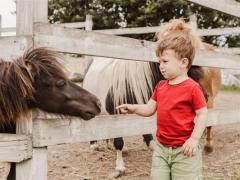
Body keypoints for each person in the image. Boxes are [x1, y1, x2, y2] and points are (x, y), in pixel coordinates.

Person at [116, 19, 207, 180]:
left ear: (183, 63)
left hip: (184, 150)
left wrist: (194, 139)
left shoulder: (192, 88)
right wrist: (133, 107)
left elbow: (202, 114)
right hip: (162, 149)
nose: (160, 66)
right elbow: (149, 109)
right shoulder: (161, 86)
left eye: (165, 61)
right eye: (159, 62)